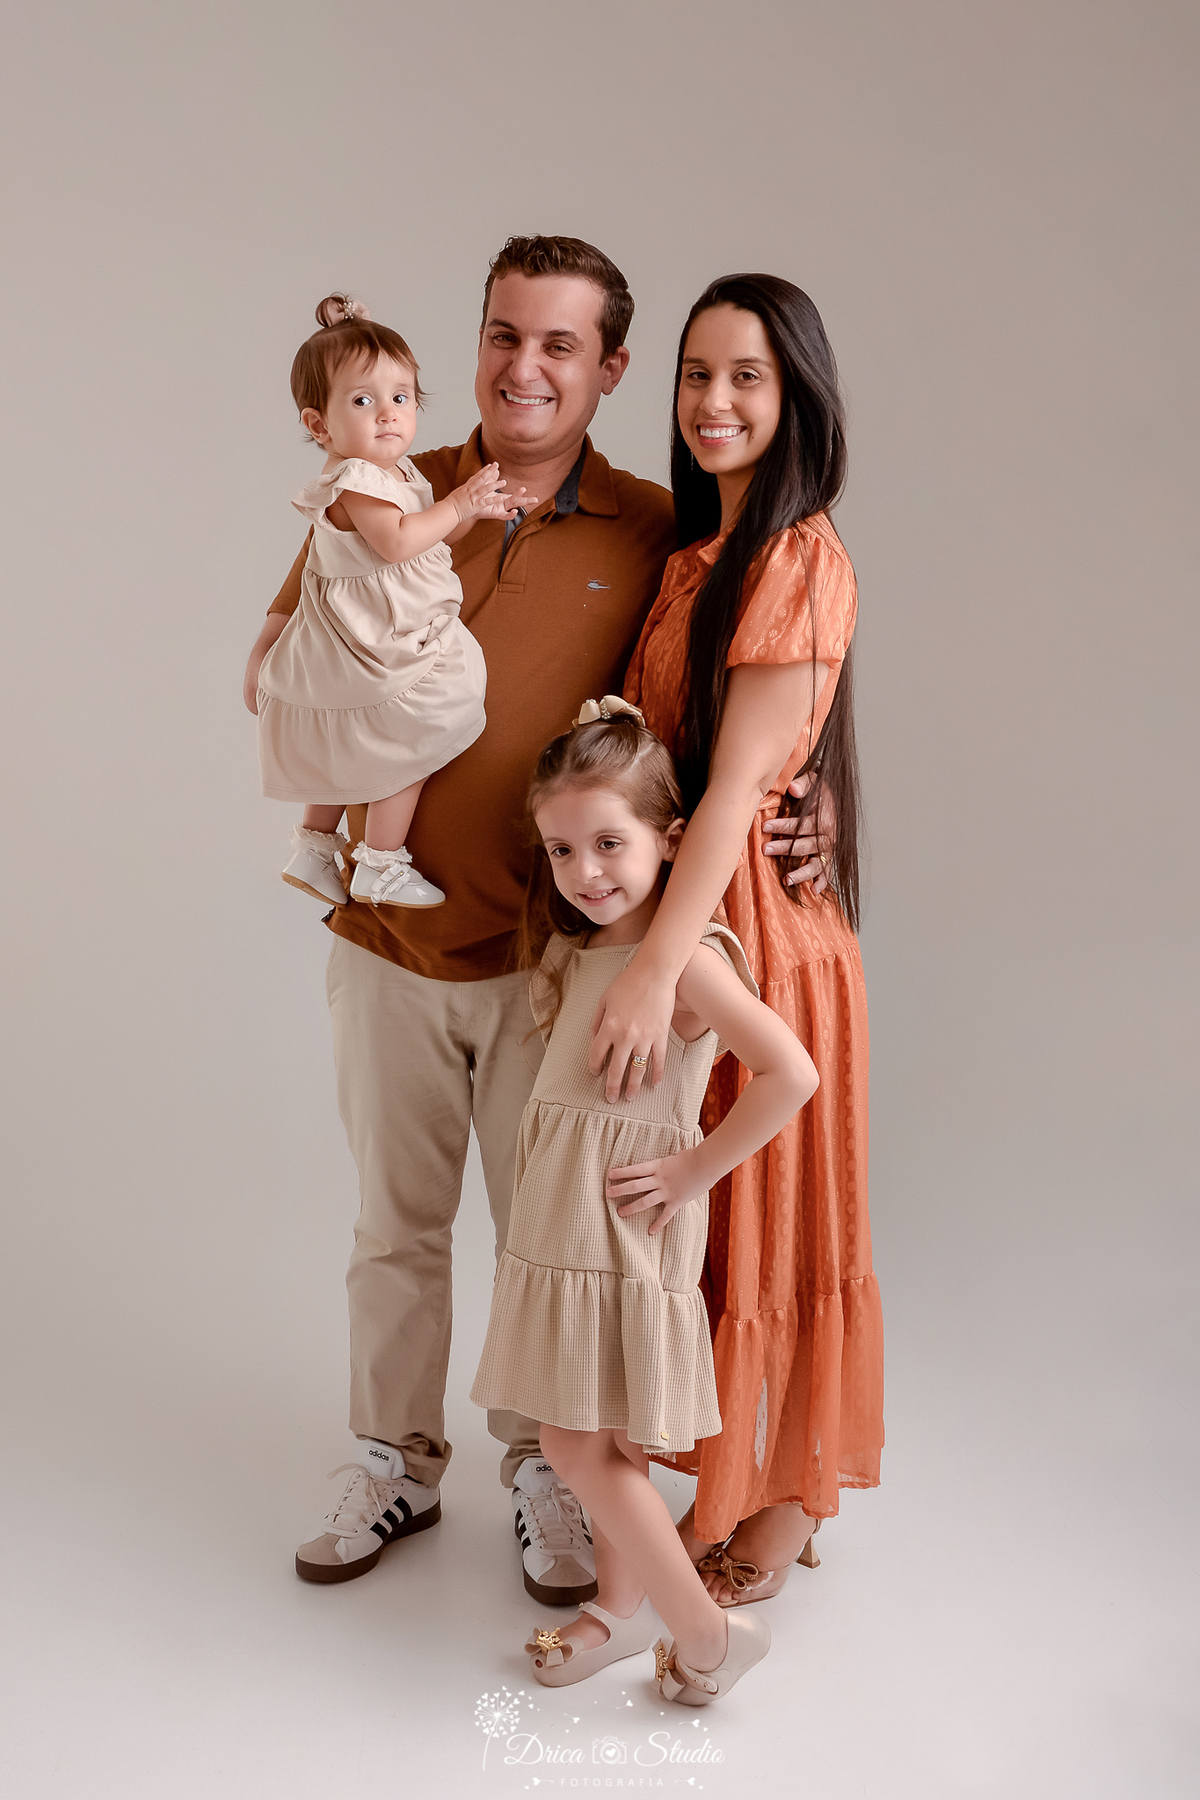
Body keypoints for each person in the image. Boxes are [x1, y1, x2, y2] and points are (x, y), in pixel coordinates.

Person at [242, 237, 677, 1595]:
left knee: (545, 1235)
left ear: (608, 369)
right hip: (390, 945)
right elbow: (281, 664)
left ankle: (544, 1464)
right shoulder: (390, 490)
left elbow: (709, 732)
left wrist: (812, 812)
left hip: (551, 962)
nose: (523, 367)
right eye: (503, 335)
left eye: (559, 345)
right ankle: (394, 1462)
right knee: (396, 1226)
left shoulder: (653, 529)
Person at [596, 274, 884, 1602]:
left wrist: (657, 971)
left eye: (747, 377)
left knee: (771, 1217)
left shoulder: (797, 554)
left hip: (758, 936)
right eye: (698, 375)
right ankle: (736, 1475)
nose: (715, 402)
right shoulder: (698, 559)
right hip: (707, 920)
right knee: (714, 1229)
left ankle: (784, 1500)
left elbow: (729, 790)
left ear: (798, 397)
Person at [470, 703, 818, 1702]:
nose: (587, 872)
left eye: (610, 844)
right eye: (564, 849)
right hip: (569, 1226)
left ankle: (708, 1637)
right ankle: (618, 1616)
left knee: (575, 1444)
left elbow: (788, 1073)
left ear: (671, 843)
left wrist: (694, 1170)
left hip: (624, 1229)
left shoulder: (686, 960)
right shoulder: (582, 955)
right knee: (606, 1435)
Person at [260, 294, 532, 911]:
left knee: (353, 741)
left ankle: (316, 846)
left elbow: (425, 539)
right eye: (363, 401)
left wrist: (474, 514)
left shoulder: (397, 475)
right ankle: (379, 862)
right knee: (405, 736)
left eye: (402, 397)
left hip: (368, 629)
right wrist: (460, 504)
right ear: (319, 425)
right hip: (373, 635)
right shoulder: (356, 479)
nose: (388, 414)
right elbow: (396, 543)